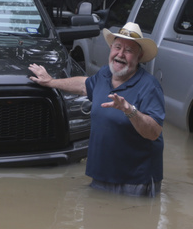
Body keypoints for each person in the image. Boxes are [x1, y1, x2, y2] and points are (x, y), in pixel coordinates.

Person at [29, 22, 165, 196]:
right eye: (117, 47)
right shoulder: (104, 74)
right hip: (101, 176)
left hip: (135, 181)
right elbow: (84, 85)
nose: (120, 54)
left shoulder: (149, 86)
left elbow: (153, 132)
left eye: (129, 50)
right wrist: (51, 82)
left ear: (139, 56)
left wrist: (130, 111)